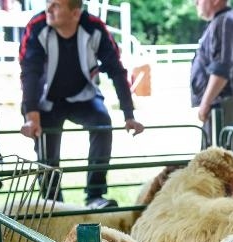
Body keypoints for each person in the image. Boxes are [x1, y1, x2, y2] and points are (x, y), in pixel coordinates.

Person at [19, 0, 144, 209]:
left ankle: (95, 195)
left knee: (102, 123)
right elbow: (29, 71)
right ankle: (52, 202)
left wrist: (128, 114)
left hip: (84, 97)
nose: (48, 9)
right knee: (46, 151)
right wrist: (31, 115)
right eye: (48, 3)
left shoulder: (94, 28)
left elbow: (116, 69)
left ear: (75, 13)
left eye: (56, 5)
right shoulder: (38, 26)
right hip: (47, 101)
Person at [191, 0, 233, 151]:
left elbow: (222, 68)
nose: (195, 3)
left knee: (216, 162)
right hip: (223, 103)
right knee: (217, 159)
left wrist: (205, 102)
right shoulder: (223, 21)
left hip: (224, 105)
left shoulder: (224, 23)